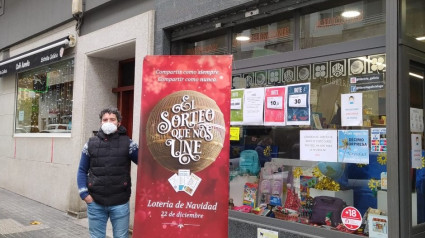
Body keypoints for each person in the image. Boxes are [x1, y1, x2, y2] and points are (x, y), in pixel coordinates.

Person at [77, 107, 138, 238]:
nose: (108, 122)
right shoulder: (90, 144)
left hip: (120, 202)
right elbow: (82, 170)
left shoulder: (128, 143)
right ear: (101, 123)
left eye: (112, 119)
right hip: (95, 202)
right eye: (105, 119)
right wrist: (84, 194)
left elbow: (143, 162)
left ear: (119, 122)